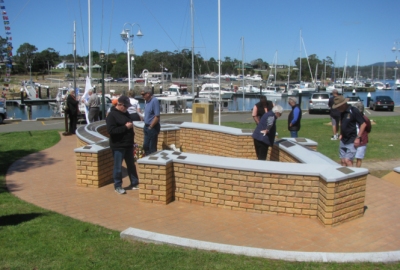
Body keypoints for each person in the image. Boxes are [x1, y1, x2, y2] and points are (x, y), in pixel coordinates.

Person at [106, 95, 139, 194]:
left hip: (128, 144)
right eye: (125, 106)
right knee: (118, 167)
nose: (127, 108)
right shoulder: (112, 115)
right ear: (120, 104)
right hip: (118, 145)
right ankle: (118, 185)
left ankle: (134, 182)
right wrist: (125, 127)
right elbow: (111, 131)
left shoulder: (126, 113)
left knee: (131, 165)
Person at [332, 95, 366, 167]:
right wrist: (341, 133)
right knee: (343, 160)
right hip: (343, 139)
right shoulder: (342, 112)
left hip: (352, 139)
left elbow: (363, 124)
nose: (337, 108)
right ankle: (344, 176)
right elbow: (342, 123)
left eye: (339, 106)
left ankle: (352, 176)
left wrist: (358, 137)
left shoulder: (353, 110)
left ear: (343, 104)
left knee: (348, 160)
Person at [142, 87, 160, 155]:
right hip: (146, 126)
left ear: (148, 94)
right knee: (146, 146)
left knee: (152, 147)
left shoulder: (154, 101)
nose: (142, 96)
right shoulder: (147, 102)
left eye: (143, 94)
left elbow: (157, 116)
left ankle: (152, 162)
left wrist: (151, 126)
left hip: (152, 127)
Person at [353, 102, 372, 168]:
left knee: (359, 158)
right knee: (350, 157)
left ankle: (357, 171)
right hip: (352, 140)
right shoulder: (353, 118)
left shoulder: (365, 119)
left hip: (362, 141)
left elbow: (368, 129)